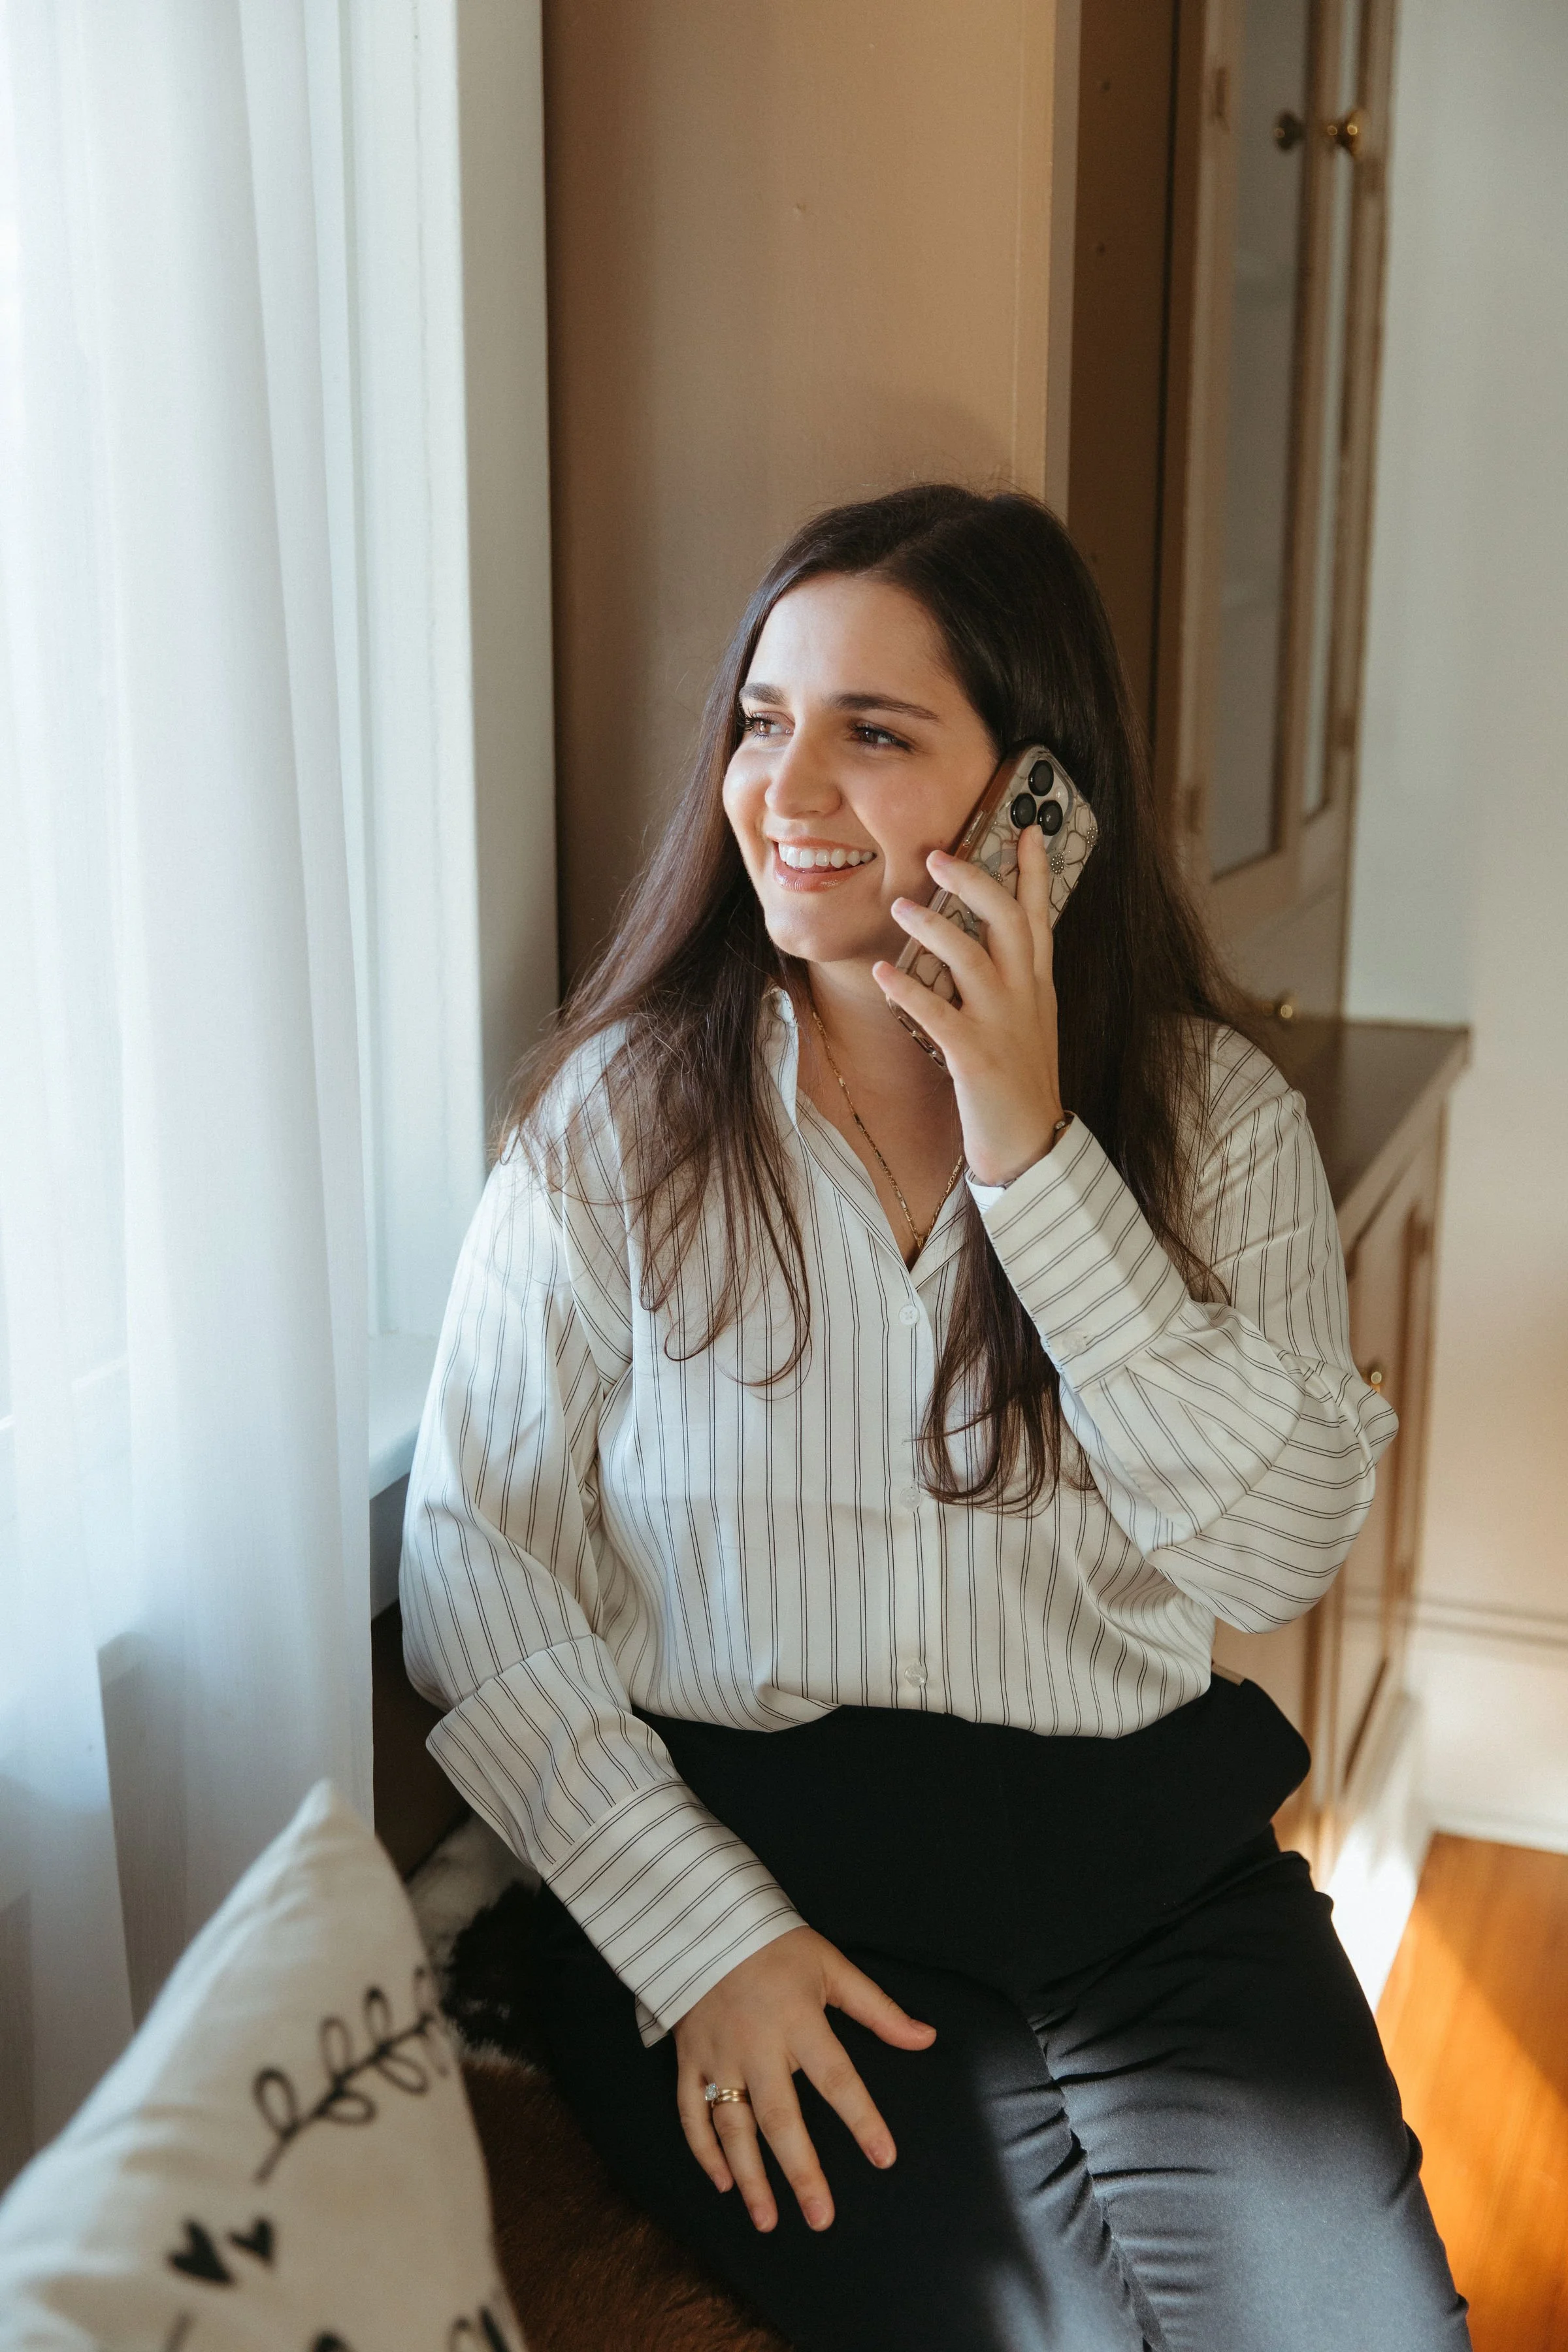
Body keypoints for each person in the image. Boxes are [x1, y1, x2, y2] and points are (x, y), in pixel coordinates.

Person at [400, 486, 1469, 2350]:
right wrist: (697, 1932)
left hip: (1143, 1882)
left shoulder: (1217, 1129)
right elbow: (476, 1567)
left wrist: (1032, 1150)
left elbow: (1273, 1547)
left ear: (1038, 800)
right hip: (749, 1870)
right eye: (761, 720)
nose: (783, 789)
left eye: (873, 733)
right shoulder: (614, 1127)